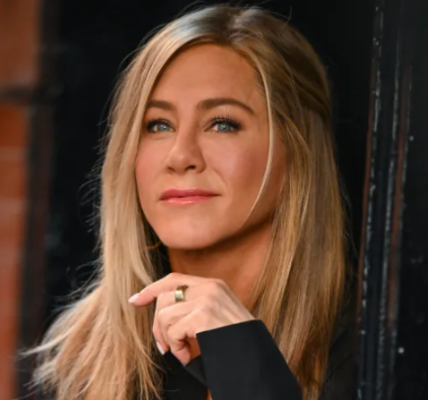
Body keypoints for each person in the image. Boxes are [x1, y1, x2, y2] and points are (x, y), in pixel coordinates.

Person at [25, 5, 357, 400]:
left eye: (222, 123)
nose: (181, 156)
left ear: (297, 151)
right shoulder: (78, 357)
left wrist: (244, 365)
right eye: (158, 125)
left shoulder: (372, 349)